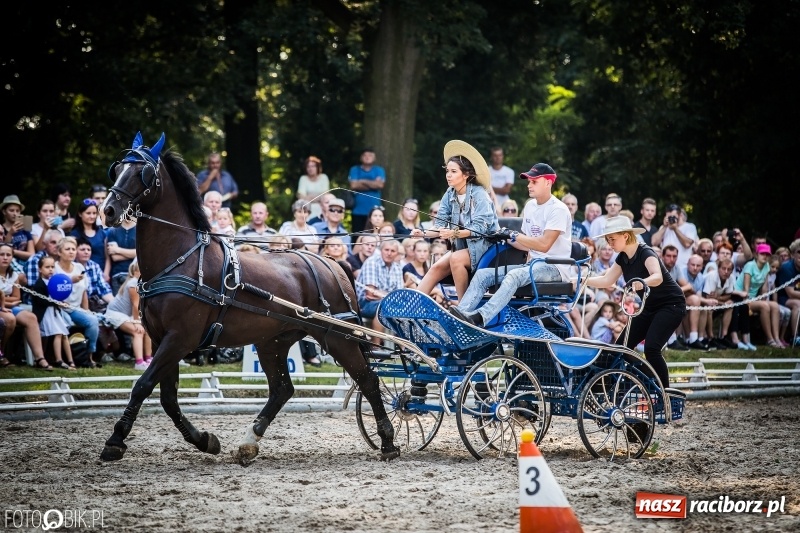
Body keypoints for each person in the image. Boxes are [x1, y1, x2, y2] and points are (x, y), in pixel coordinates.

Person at [448, 162, 571, 327]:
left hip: (555, 267)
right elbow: (527, 244)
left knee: (514, 276)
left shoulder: (559, 209)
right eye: (528, 181)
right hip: (533, 264)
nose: (529, 185)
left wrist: (513, 234)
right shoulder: (530, 206)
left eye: (534, 181)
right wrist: (503, 237)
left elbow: (543, 245)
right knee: (483, 275)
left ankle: (480, 318)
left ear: (548, 182)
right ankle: (459, 317)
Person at [585, 216, 685, 387]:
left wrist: (643, 281)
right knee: (621, 348)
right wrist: (583, 280)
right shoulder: (622, 257)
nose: (609, 244)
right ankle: (642, 383)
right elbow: (607, 280)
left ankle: (664, 393)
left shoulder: (646, 252)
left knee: (652, 349)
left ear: (625, 236)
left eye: (612, 239)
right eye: (608, 240)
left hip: (671, 305)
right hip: (650, 306)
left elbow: (657, 276)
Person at [411, 140, 499, 300]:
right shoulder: (449, 193)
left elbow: (480, 229)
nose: (448, 175)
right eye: (447, 171)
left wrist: (454, 233)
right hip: (462, 247)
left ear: (466, 175)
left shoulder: (480, 194)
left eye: (453, 171)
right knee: (436, 267)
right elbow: (439, 225)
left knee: (455, 258)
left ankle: (463, 307)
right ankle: (413, 304)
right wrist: (422, 233)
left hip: (487, 247)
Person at [0, 243, 55, 369]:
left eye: (8, 255)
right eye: (1, 254)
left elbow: (17, 298)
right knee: (10, 319)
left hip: (9, 306)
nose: (5, 257)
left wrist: (4, 300)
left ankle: (39, 358)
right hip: (4, 307)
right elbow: (12, 299)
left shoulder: (13, 275)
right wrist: (6, 301)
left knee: (31, 318)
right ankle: (1, 354)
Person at [55, 236, 101, 367]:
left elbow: (84, 292)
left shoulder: (79, 267)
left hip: (76, 309)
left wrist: (86, 310)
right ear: (59, 252)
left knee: (92, 321)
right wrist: (70, 280)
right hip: (59, 308)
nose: (71, 252)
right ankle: (68, 359)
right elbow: (52, 292)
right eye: (67, 249)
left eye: (73, 249)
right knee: (66, 323)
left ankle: (89, 356)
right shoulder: (55, 268)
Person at [29, 256, 75, 371]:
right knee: (58, 333)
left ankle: (71, 361)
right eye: (47, 267)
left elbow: (56, 296)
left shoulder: (53, 282)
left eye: (52, 267)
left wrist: (60, 302)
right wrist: (56, 303)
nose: (50, 269)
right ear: (40, 269)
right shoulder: (39, 284)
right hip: (45, 314)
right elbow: (40, 301)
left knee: (64, 334)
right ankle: (58, 360)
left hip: (54, 312)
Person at [104, 261, 151, 370]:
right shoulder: (133, 283)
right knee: (137, 331)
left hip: (127, 315)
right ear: (135, 272)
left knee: (148, 329)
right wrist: (137, 322)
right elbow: (136, 305)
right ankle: (139, 362)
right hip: (115, 314)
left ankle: (148, 359)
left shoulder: (142, 284)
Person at [734, 243, 783, 348]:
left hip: (754, 298)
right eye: (762, 254)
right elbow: (745, 290)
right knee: (764, 306)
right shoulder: (750, 265)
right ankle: (770, 339)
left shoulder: (766, 267)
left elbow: (764, 288)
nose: (765, 256)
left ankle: (777, 338)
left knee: (774, 305)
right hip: (741, 298)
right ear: (756, 255)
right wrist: (759, 302)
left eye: (767, 254)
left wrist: (764, 299)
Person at [356, 239, 403, 334]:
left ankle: (405, 347)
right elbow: (370, 294)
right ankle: (376, 346)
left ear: (397, 253)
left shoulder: (397, 267)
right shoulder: (372, 262)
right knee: (384, 307)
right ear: (381, 250)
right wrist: (391, 297)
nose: (389, 253)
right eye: (386, 250)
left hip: (388, 302)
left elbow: (399, 295)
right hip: (363, 304)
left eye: (392, 251)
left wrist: (387, 296)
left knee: (406, 309)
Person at [348, 148, 386, 233]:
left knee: (375, 235)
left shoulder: (379, 170)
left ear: (374, 158)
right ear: (361, 157)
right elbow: (353, 185)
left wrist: (362, 181)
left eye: (370, 155)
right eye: (365, 155)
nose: (367, 157)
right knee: (357, 237)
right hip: (358, 210)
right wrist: (373, 184)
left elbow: (380, 185)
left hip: (375, 212)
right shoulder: (354, 169)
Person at [651, 204, 698, 270]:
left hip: (683, 267)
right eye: (669, 217)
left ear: (680, 215)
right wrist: (664, 226)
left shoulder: (690, 227)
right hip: (666, 268)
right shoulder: (664, 228)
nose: (671, 219)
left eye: (673, 216)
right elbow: (654, 242)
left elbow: (687, 244)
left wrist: (675, 229)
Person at [70, 199, 108, 275]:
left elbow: (107, 257)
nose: (92, 216)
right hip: (80, 273)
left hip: (101, 272)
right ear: (80, 214)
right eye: (88, 213)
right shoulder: (74, 234)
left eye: (94, 213)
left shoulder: (102, 233)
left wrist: (106, 273)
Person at [775, 239, 800, 346]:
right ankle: (795, 337)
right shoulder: (786, 268)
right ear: (793, 254)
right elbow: (790, 293)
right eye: (799, 252)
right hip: (783, 298)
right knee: (798, 304)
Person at [105, 216, 137, 295]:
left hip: (136, 275)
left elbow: (140, 253)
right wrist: (134, 253)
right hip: (118, 275)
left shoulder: (140, 230)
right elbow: (115, 257)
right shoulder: (112, 231)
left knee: (136, 306)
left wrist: (118, 250)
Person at [1, 195, 35, 263]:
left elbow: (32, 254)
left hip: (25, 263)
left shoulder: (25, 228)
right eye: (11, 210)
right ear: (4, 212)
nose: (15, 214)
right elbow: (3, 251)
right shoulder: (1, 229)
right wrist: (10, 233)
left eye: (17, 211)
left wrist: (13, 251)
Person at [296, 156, 330, 221]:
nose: (310, 169)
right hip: (307, 210)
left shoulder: (324, 178)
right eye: (308, 166)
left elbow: (326, 196)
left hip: (322, 209)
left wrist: (309, 197)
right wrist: (319, 197)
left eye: (313, 166)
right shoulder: (303, 179)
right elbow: (301, 197)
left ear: (317, 167)